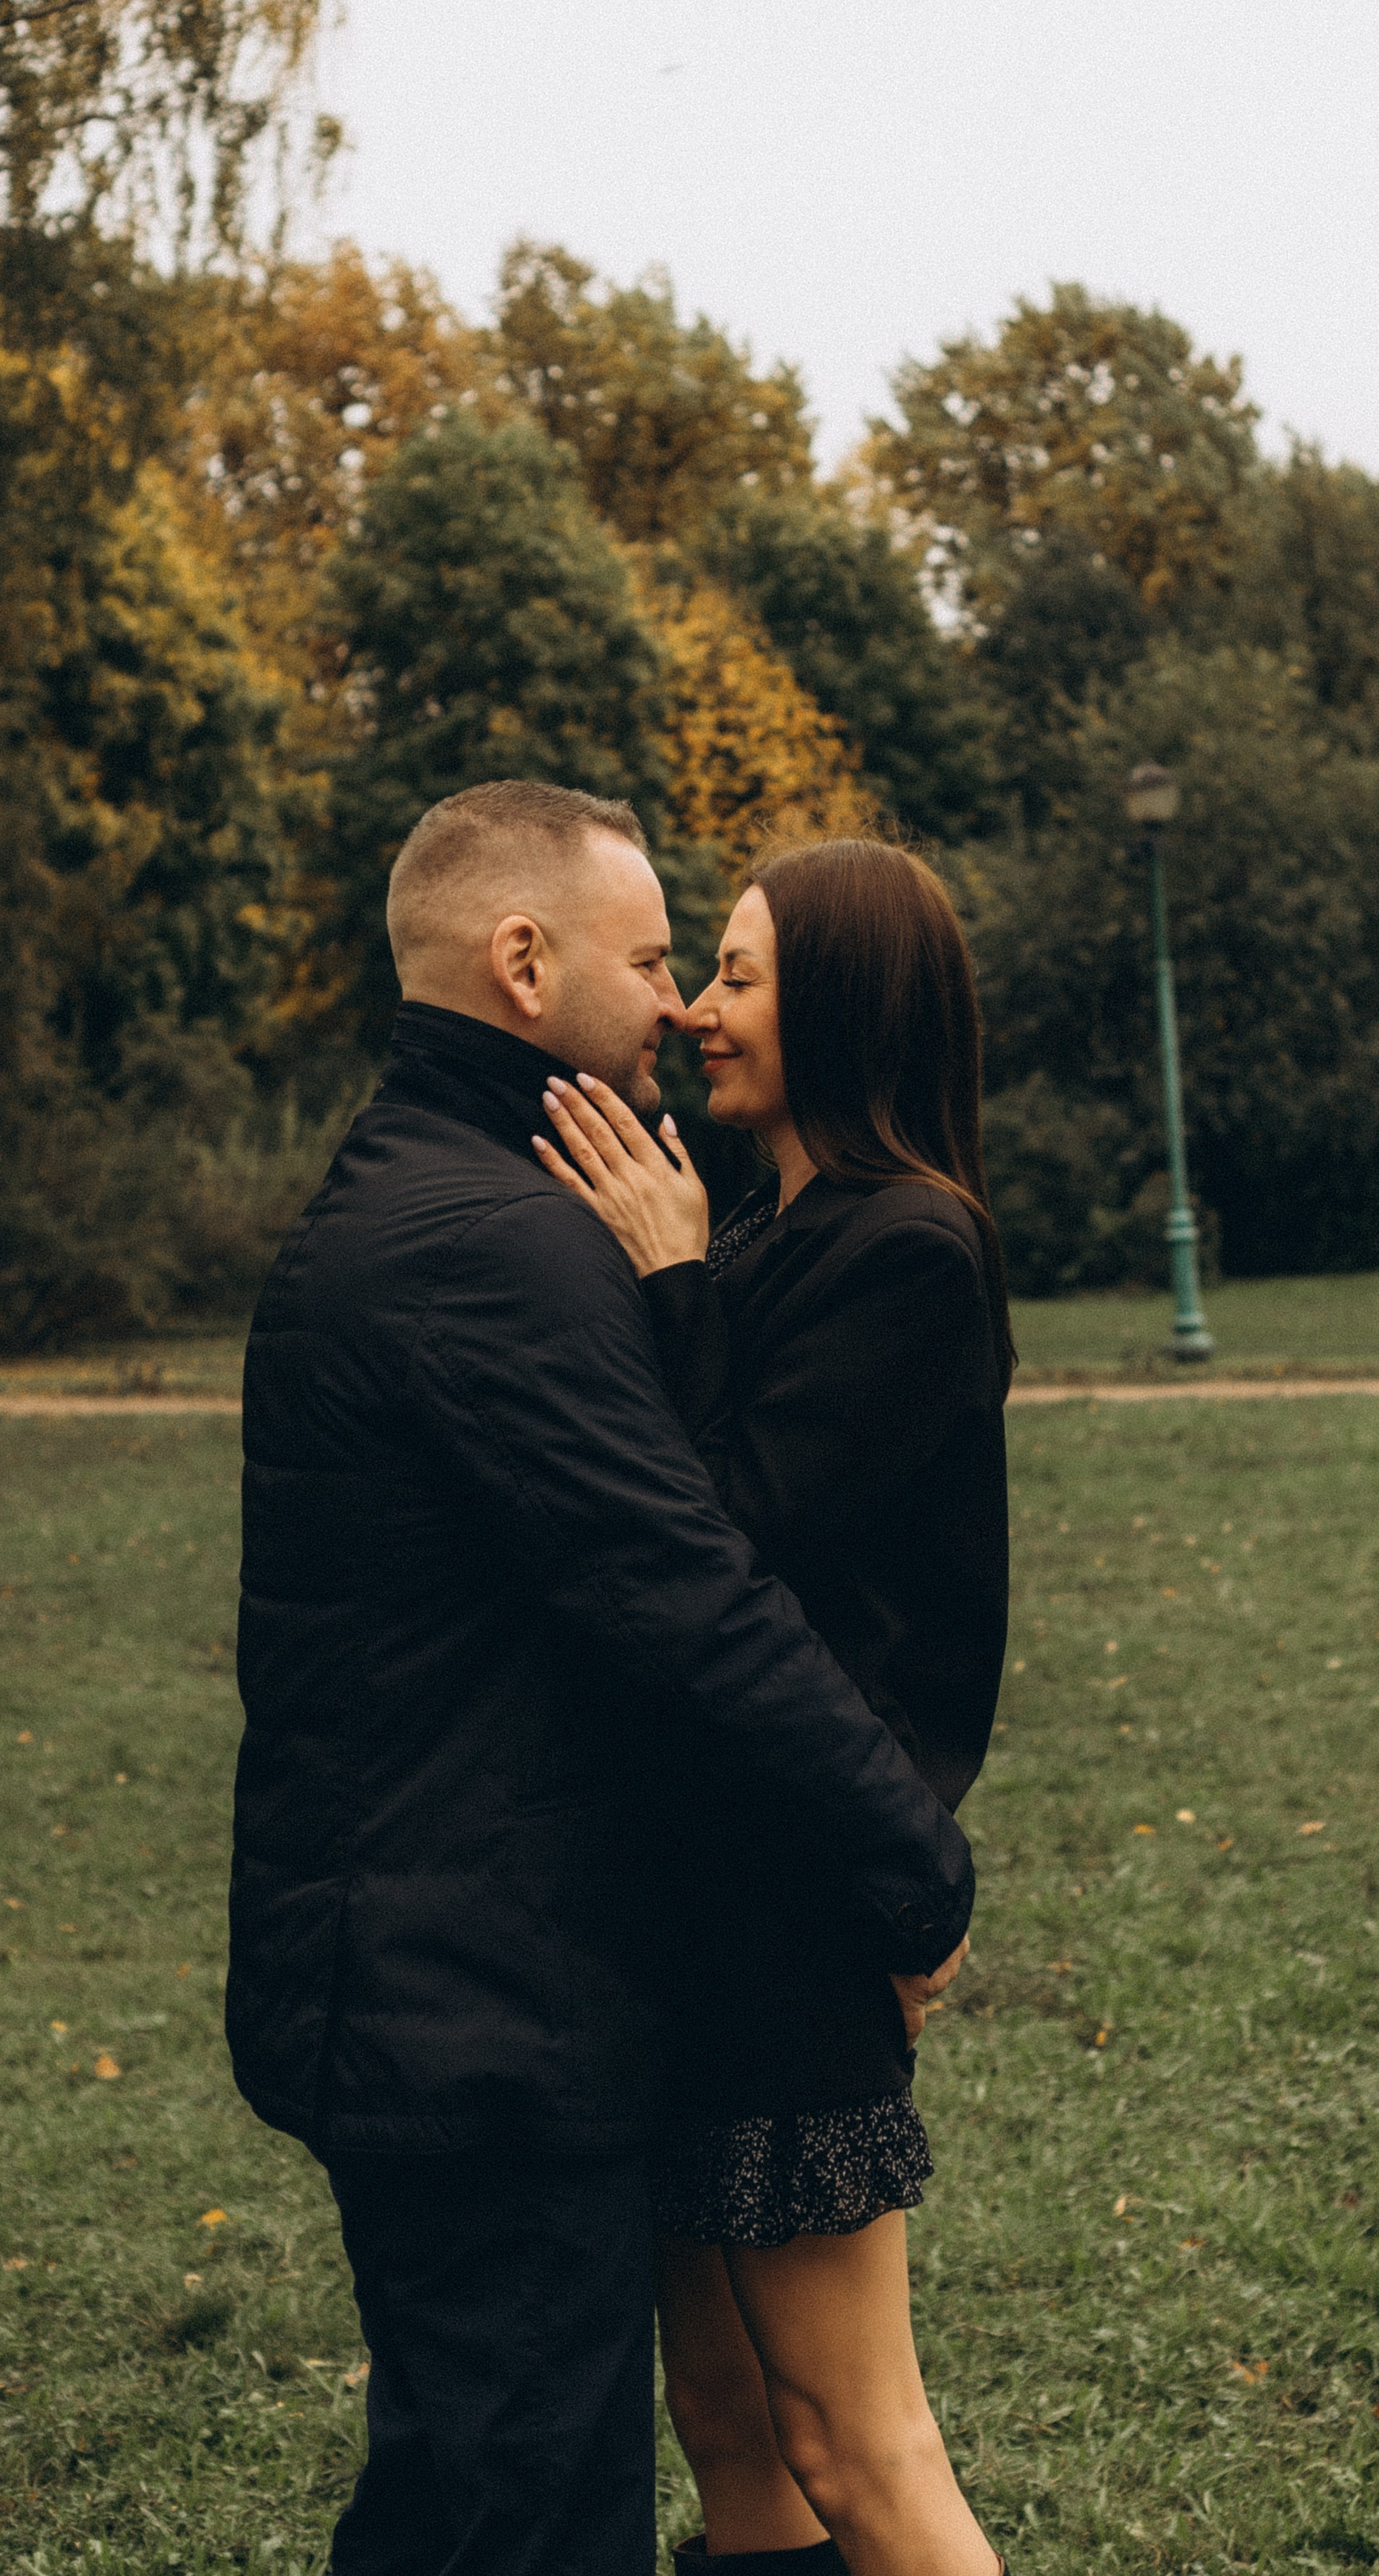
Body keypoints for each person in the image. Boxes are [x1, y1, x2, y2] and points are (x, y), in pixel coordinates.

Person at [228, 783, 976, 2576]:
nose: (675, 1005)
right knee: (526, 2513)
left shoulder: (467, 1195)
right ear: (520, 960)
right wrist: (916, 1867)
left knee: (479, 2492)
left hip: (475, 1986)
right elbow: (685, 1587)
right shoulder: (486, 1239)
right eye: (656, 960)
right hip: (467, 2005)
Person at [532, 836, 1013, 2576]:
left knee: (851, 2440)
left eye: (733, 975)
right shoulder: (770, 1232)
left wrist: (667, 1284)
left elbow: (725, 1544)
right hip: (690, 1895)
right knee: (732, 2438)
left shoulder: (907, 1254)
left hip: (800, 1899)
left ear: (846, 1002)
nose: (692, 1009)